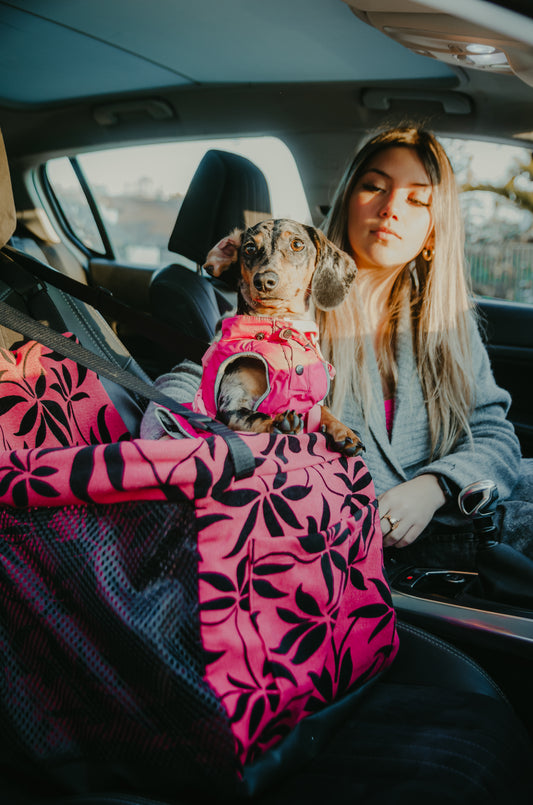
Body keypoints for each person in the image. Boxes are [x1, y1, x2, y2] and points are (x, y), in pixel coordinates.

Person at [141, 125, 533, 568]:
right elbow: (197, 382)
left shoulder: (447, 323)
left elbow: (495, 434)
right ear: (348, 197)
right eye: (374, 187)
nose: (390, 209)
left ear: (432, 232)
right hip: (369, 546)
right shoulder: (290, 309)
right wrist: (173, 446)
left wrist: (434, 487)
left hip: (454, 507)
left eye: (417, 200)